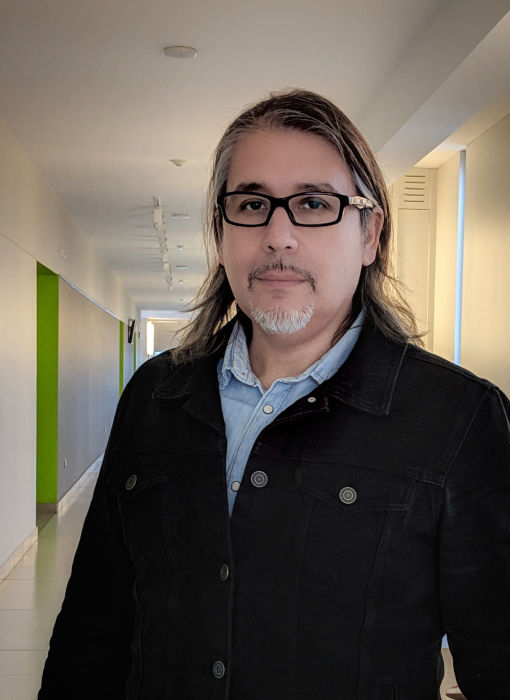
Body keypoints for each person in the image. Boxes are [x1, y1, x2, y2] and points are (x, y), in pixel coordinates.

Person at [38, 89, 510, 700]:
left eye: (314, 203)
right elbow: (94, 625)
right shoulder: (155, 394)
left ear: (369, 233)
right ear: (221, 231)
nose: (278, 235)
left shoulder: (458, 418)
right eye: (252, 204)